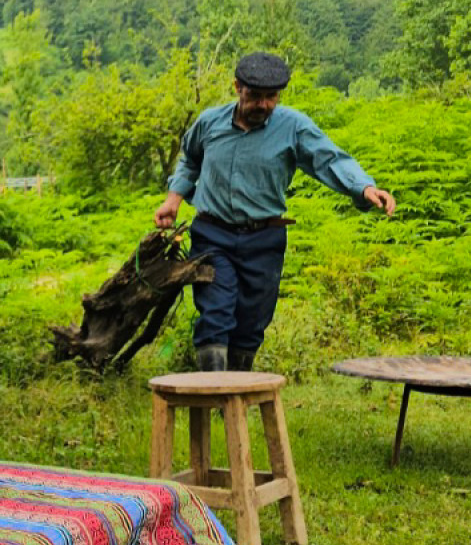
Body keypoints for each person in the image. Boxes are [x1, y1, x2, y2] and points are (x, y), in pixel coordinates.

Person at [153, 51, 396, 373]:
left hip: (264, 238)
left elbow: (329, 159)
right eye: (255, 96)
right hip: (213, 234)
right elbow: (190, 159)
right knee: (216, 313)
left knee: (252, 321)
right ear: (238, 87)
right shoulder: (210, 122)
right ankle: (213, 392)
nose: (263, 105)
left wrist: (364, 187)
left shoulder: (292, 126)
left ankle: (237, 393)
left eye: (271, 98)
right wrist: (173, 200)